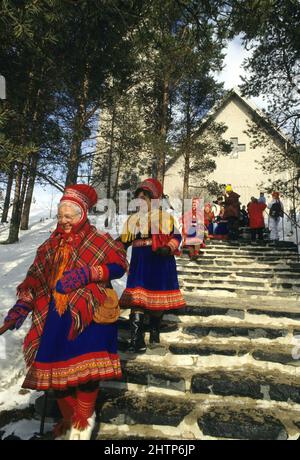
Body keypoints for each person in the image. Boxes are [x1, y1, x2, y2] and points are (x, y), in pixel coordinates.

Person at [3, 184, 127, 440]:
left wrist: (88, 274)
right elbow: (35, 279)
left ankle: (83, 419)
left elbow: (119, 265)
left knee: (87, 375)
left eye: (69, 216)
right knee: (55, 375)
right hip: (56, 318)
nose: (64, 221)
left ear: (82, 214)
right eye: (60, 216)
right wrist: (21, 307)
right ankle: (71, 420)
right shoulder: (50, 246)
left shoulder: (98, 239)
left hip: (90, 316)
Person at [119, 178, 186, 353]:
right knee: (137, 300)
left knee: (157, 303)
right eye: (138, 198)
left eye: (144, 198)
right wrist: (113, 246)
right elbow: (124, 241)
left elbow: (176, 238)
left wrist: (168, 247)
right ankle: (136, 339)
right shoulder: (132, 220)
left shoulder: (166, 218)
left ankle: (155, 331)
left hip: (160, 263)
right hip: (140, 263)